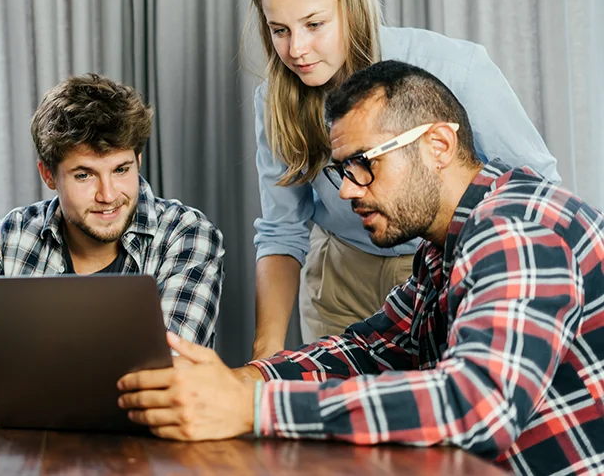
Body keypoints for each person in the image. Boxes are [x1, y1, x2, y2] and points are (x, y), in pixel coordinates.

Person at [117, 61, 604, 476]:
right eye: (343, 170)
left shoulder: (515, 231)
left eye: (364, 163)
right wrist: (243, 380)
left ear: (437, 145)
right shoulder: (444, 247)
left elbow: (476, 405)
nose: (348, 191)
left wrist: (252, 408)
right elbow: (373, 347)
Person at [247, 0, 560, 358]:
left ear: (353, 10)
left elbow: (534, 187)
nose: (296, 48)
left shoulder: (455, 69)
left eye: (314, 24)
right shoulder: (275, 100)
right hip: (342, 274)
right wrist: (266, 350)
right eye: (279, 30)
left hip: (446, 266)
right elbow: (282, 229)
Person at [0, 73, 224, 392]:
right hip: (24, 444)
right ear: (48, 175)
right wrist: (15, 368)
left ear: (138, 161)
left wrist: (14, 367)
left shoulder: (187, 236)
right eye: (84, 175)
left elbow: (164, 373)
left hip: (143, 444)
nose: (108, 195)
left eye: (122, 170)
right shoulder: (12, 237)